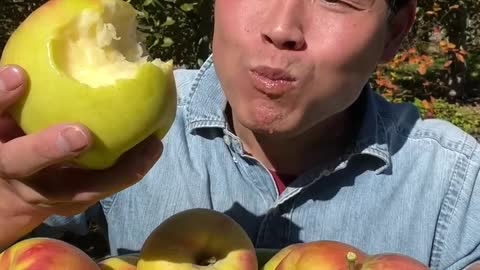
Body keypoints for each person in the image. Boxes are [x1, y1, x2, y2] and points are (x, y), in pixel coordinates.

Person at [0, 0, 479, 269]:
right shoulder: (129, 134)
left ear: (395, 32)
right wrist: (8, 206)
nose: (281, 28)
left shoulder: (454, 191)